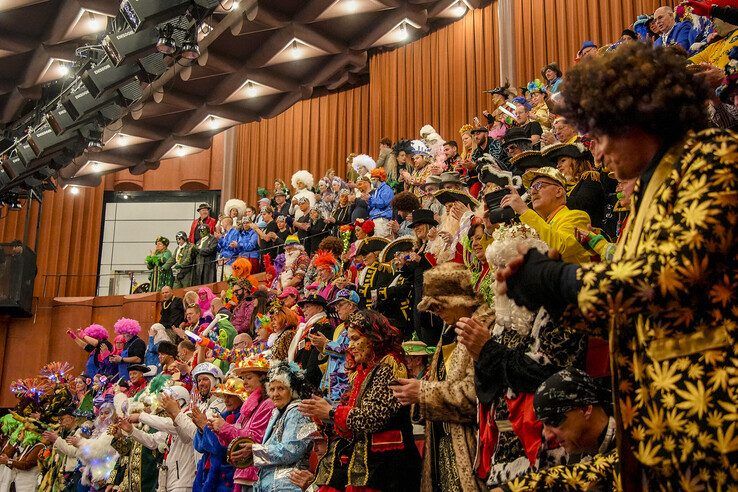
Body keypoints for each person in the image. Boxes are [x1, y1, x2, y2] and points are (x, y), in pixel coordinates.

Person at [497, 43, 738, 490]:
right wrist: (549, 296)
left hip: (714, 419)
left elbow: (666, 278)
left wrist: (557, 279)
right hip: (663, 427)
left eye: (601, 133)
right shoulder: (655, 184)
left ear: (636, 118)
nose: (599, 151)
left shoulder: (714, 155)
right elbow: (628, 306)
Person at [392, 263, 491, 492]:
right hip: (442, 453)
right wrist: (416, 394)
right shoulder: (449, 331)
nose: (437, 314)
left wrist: (423, 392)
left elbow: (478, 394)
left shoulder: (484, 328)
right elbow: (440, 381)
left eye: (439, 307)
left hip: (473, 452)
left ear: (458, 301)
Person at [302, 310, 422, 491]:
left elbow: (373, 417)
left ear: (374, 338)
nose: (350, 346)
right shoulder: (366, 371)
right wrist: (324, 415)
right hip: (372, 468)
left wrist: (331, 413)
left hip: (389, 470)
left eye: (356, 338)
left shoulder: (389, 366)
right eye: (349, 340)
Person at [493, 369, 617, 492]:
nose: (547, 435)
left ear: (585, 409)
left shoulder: (627, 443)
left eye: (554, 421)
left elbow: (594, 471)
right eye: (544, 425)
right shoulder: (577, 453)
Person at [235, 362, 318, 492]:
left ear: (292, 390)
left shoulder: (297, 411)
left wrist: (255, 451)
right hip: (272, 485)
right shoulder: (278, 412)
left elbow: (291, 449)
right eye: (272, 389)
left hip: (287, 486)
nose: (275, 394)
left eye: (281, 388)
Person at [501, 167, 592, 264]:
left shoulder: (577, 216)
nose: (533, 192)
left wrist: (524, 210)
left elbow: (560, 248)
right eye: (530, 189)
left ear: (559, 192)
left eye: (538, 186)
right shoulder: (536, 223)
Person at [212, 354, 275, 492]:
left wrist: (224, 427)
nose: (245, 382)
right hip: (244, 472)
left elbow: (253, 438)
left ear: (263, 379)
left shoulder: (268, 404)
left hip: (256, 473)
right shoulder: (250, 406)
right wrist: (218, 429)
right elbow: (233, 440)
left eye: (249, 377)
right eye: (243, 378)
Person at [119, 387, 196, 492]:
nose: (163, 403)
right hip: (171, 482)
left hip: (184, 482)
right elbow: (153, 441)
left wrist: (141, 416)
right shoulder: (171, 421)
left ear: (179, 401)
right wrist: (132, 431)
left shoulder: (189, 415)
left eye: (167, 399)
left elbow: (169, 425)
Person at [193, 377, 246, 492]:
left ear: (241, 397)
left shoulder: (243, 419)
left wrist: (204, 427)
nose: (226, 400)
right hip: (208, 474)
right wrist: (201, 429)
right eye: (225, 396)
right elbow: (199, 447)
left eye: (230, 396)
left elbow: (220, 449)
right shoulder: (222, 416)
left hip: (226, 478)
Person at [310, 288, 358, 403]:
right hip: (335, 383)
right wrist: (321, 347)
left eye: (340, 305)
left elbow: (349, 349)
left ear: (351, 305)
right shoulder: (342, 327)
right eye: (335, 306)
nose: (337, 309)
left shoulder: (358, 324)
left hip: (345, 382)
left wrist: (326, 343)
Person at [542, 143, 607, 229]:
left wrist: (552, 197)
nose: (558, 166)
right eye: (557, 163)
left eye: (563, 160)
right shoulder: (564, 187)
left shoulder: (590, 177)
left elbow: (581, 205)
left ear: (575, 161)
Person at [291, 293, 334, 388]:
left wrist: (306, 382)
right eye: (303, 307)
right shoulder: (309, 327)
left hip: (310, 382)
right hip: (301, 377)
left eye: (307, 306)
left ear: (319, 309)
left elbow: (316, 359)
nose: (303, 310)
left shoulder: (324, 327)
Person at [109, 318, 146, 382]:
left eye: (125, 333)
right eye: (122, 333)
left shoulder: (139, 342)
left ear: (131, 331)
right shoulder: (126, 343)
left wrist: (121, 359)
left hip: (133, 376)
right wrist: (116, 360)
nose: (123, 336)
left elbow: (138, 359)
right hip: (123, 375)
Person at [368, 167, 395, 239]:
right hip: (375, 219)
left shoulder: (386, 189)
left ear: (377, 179)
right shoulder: (376, 190)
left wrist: (370, 198)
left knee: (382, 241)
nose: (371, 182)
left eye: (372, 179)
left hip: (382, 220)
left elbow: (382, 203)